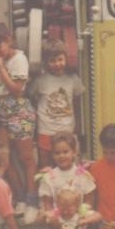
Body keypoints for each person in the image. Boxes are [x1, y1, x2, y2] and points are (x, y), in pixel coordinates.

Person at [0, 22, 39, 225]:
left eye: (0, 45)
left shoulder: (19, 59)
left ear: (9, 41)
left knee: (26, 158)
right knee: (4, 159)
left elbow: (17, 90)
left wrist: (0, 68)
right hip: (3, 113)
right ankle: (20, 198)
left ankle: (33, 200)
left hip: (20, 111)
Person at [28, 38, 84, 168]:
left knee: (69, 166)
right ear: (46, 62)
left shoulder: (73, 79)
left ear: (66, 58)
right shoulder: (40, 81)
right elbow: (32, 100)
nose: (57, 64)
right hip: (46, 131)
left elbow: (77, 103)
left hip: (67, 130)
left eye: (60, 59)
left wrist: (78, 127)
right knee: (46, 167)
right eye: (52, 61)